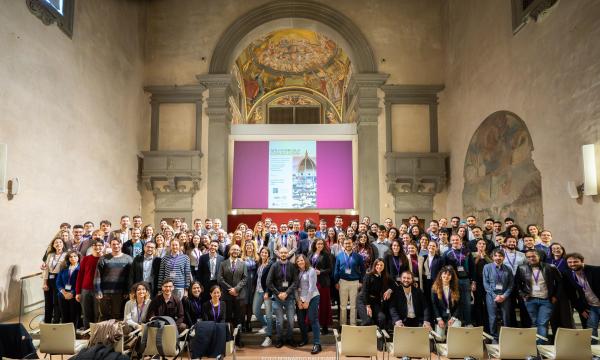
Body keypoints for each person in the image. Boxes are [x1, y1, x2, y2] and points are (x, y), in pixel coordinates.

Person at [515, 250, 561, 343]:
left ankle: (540, 347)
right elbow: (517, 283)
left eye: (533, 256)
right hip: (530, 300)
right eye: (528, 257)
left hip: (546, 300)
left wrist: (555, 296)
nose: (531, 258)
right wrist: (523, 294)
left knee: (542, 323)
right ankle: (535, 346)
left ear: (538, 256)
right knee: (534, 323)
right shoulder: (521, 268)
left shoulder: (550, 267)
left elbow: (560, 283)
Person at [94, 238, 133, 321]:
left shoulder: (128, 259)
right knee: (104, 315)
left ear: (121, 245)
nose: (116, 246)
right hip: (105, 292)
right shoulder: (103, 258)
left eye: (117, 244)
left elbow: (130, 277)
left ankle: (116, 334)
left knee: (118, 315)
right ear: (110, 245)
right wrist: (98, 290)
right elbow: (97, 276)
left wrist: (127, 291)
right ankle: (104, 333)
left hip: (120, 293)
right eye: (113, 244)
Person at [267, 247, 299, 348]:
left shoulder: (292, 266)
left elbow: (295, 281)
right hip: (277, 298)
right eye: (282, 253)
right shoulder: (274, 266)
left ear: (288, 254)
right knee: (279, 321)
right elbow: (269, 282)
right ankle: (279, 338)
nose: (284, 254)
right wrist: (278, 293)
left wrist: (287, 293)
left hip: (289, 297)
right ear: (279, 254)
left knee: (291, 320)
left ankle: (290, 338)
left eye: (285, 252)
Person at [217, 244, 247, 347]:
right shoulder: (223, 264)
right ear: (230, 251)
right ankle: (229, 340)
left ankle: (239, 340)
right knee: (228, 318)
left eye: (237, 250)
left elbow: (245, 278)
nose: (235, 251)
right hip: (227, 295)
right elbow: (220, 279)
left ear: (239, 252)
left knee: (239, 319)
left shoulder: (243, 264)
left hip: (239, 296)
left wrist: (236, 289)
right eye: (233, 249)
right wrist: (230, 289)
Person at [566, 253, 600, 342]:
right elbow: (571, 294)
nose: (572, 264)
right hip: (590, 307)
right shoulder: (569, 274)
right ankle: (593, 352)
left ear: (582, 261)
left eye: (575, 261)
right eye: (570, 262)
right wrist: (581, 309)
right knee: (590, 330)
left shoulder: (596, 270)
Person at [334, 237, 366, 327]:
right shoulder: (339, 256)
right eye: (346, 243)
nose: (348, 245)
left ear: (352, 244)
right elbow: (336, 270)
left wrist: (361, 281)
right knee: (343, 305)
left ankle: (353, 324)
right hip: (342, 282)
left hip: (354, 282)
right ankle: (343, 324)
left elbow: (363, 270)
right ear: (343, 245)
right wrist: (336, 282)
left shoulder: (358, 256)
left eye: (349, 243)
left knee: (353, 305)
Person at [482, 249, 514, 338]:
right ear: (492, 257)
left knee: (506, 317)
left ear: (503, 258)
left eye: (500, 256)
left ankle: (506, 337)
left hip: (504, 296)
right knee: (493, 317)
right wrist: (495, 296)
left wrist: (504, 296)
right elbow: (486, 283)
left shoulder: (508, 268)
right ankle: (494, 336)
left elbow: (511, 284)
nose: (498, 258)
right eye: (496, 256)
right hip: (491, 296)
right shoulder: (487, 267)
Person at [295, 254, 321, 354]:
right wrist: (298, 301)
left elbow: (312, 287)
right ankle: (304, 339)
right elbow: (295, 287)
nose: (300, 262)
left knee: (313, 319)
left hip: (312, 297)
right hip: (300, 298)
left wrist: (307, 301)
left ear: (305, 260)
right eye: (298, 261)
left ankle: (317, 344)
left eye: (301, 260)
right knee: (301, 320)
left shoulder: (311, 270)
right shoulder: (297, 271)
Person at [76, 239, 103, 329]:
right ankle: (87, 332)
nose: (97, 247)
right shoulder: (86, 259)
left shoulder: (105, 259)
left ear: (103, 247)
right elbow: (80, 275)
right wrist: (78, 292)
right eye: (95, 245)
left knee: (98, 313)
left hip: (99, 291)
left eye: (99, 245)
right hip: (85, 289)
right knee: (86, 313)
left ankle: (97, 334)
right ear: (92, 247)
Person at [308, 238, 333, 334]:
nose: (320, 245)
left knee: (324, 304)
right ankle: (310, 324)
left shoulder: (326, 255)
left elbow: (330, 269)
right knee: (311, 304)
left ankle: (324, 326)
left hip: (322, 282)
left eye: (322, 244)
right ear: (315, 244)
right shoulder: (310, 254)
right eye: (318, 244)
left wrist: (320, 272)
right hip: (312, 282)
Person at [359, 258, 392, 328]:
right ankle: (362, 336)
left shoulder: (384, 276)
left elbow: (394, 285)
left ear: (384, 267)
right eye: (377, 264)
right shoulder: (368, 276)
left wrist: (390, 290)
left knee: (382, 318)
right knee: (367, 321)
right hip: (364, 300)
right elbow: (365, 291)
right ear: (374, 265)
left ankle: (379, 336)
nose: (379, 266)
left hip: (375, 301)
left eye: (381, 265)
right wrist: (368, 307)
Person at [431, 266, 463, 338]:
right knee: (440, 338)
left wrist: (453, 318)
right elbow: (434, 305)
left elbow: (459, 305)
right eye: (444, 274)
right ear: (440, 275)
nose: (446, 276)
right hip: (441, 317)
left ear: (452, 277)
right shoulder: (434, 288)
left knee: (454, 336)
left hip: (453, 316)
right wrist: (439, 319)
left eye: (449, 275)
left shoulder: (457, 288)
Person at [253, 247, 274, 347]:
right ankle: (266, 325)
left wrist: (267, 292)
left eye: (266, 253)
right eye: (262, 252)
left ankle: (269, 336)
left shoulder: (271, 265)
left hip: (266, 292)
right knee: (255, 311)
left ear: (268, 255)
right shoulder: (258, 264)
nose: (264, 254)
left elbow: (271, 280)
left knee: (269, 314)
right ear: (260, 253)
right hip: (258, 291)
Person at [42, 237, 67, 323]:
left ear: (63, 244)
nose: (58, 244)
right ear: (53, 245)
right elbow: (46, 269)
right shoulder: (50, 255)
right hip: (49, 278)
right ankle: (47, 321)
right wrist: (45, 282)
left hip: (60, 279)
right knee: (48, 301)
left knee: (57, 301)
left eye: (60, 242)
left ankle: (56, 321)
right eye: (56, 242)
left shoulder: (66, 255)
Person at [56, 250, 81, 328]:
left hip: (75, 295)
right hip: (62, 295)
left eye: (75, 256)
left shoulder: (81, 268)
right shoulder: (64, 268)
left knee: (74, 315)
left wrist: (72, 293)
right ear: (68, 258)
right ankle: (64, 333)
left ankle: (73, 334)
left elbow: (80, 283)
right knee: (64, 315)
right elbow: (58, 281)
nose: (72, 258)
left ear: (78, 257)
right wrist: (63, 292)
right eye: (70, 256)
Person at [472, 238, 492, 328]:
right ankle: (479, 323)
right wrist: (479, 256)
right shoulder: (472, 254)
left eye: (483, 244)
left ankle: (487, 324)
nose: (481, 245)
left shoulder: (489, 255)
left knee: (488, 303)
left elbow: (492, 266)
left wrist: (485, 256)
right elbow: (472, 266)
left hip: (488, 283)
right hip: (477, 282)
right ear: (476, 245)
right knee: (478, 303)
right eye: (479, 244)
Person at [241, 240, 258, 332]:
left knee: (250, 304)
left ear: (253, 247)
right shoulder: (241, 258)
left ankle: (249, 322)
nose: (249, 247)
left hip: (253, 283)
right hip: (244, 283)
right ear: (245, 247)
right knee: (244, 303)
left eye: (250, 245)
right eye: (247, 245)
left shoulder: (257, 258)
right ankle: (243, 323)